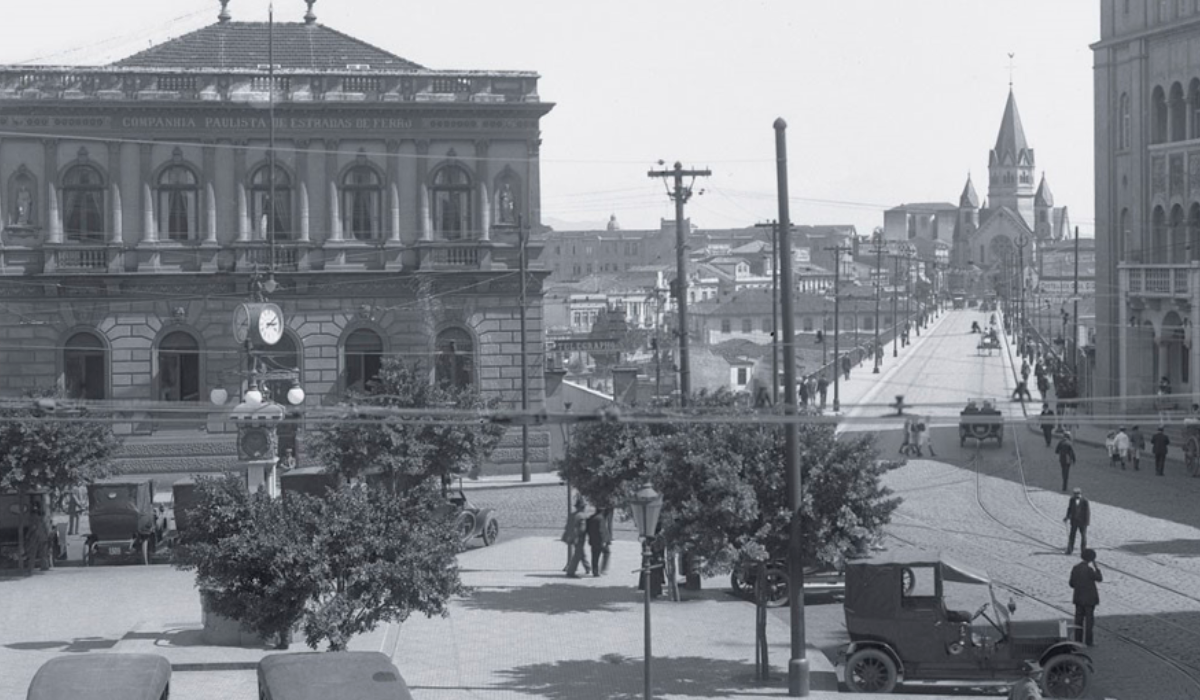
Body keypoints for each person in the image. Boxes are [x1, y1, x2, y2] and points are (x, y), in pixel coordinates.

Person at [1069, 548, 1103, 647]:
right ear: (1091, 559)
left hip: (1078, 598)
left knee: (1078, 620)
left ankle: (1077, 640)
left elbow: (1071, 583)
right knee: (1089, 621)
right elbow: (1099, 578)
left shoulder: (1075, 568)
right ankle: (1089, 641)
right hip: (1090, 599)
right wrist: (1097, 568)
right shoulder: (1089, 570)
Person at [562, 498, 591, 576]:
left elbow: (567, 526)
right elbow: (582, 529)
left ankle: (587, 567)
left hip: (571, 537)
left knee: (581, 552)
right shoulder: (582, 516)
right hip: (579, 538)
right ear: (582, 507)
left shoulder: (572, 515)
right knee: (577, 554)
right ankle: (571, 572)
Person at [585, 507, 612, 577]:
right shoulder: (601, 519)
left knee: (594, 557)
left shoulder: (591, 518)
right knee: (607, 552)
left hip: (593, 540)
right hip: (600, 541)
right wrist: (605, 541)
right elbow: (602, 531)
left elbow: (587, 529)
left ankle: (595, 572)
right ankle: (603, 569)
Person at [1063, 487, 1090, 556]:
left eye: (1077, 494)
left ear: (1080, 493)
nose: (1076, 495)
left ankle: (1083, 551)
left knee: (1083, 537)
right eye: (1075, 494)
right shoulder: (1072, 500)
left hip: (1082, 522)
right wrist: (1067, 517)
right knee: (1072, 536)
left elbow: (1087, 513)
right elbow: (1069, 509)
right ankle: (1070, 550)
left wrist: (1087, 522)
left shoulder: (1085, 501)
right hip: (1074, 521)